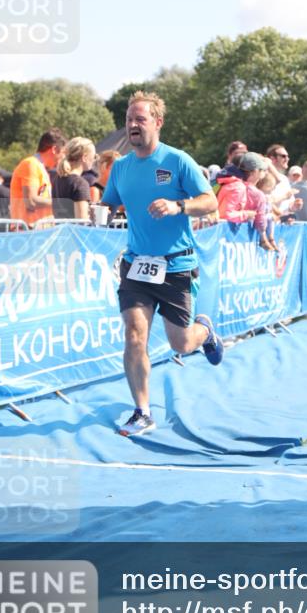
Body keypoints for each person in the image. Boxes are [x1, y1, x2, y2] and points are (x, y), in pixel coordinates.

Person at [101, 91, 223, 437]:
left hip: (175, 265)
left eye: (140, 119)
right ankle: (142, 411)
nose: (133, 126)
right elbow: (110, 204)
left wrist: (179, 206)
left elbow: (210, 201)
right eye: (129, 120)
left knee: (181, 344)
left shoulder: (178, 160)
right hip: (137, 264)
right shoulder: (121, 167)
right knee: (134, 335)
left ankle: (206, 331)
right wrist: (99, 211)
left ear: (158, 122)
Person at [216, 151, 275, 250]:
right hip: (228, 241)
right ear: (254, 172)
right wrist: (247, 215)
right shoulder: (248, 191)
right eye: (262, 169)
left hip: (221, 237)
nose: (265, 172)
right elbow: (260, 220)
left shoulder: (228, 182)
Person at [10, 128, 66, 228]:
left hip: (36, 231)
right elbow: (31, 201)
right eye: (63, 154)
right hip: (28, 232)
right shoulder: (30, 164)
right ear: (54, 150)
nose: (63, 159)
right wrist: (61, 203)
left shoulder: (39, 168)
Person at [53, 138, 97, 220]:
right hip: (74, 232)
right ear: (84, 157)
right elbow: (82, 222)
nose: (94, 160)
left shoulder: (58, 179)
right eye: (94, 156)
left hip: (60, 231)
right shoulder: (80, 183)